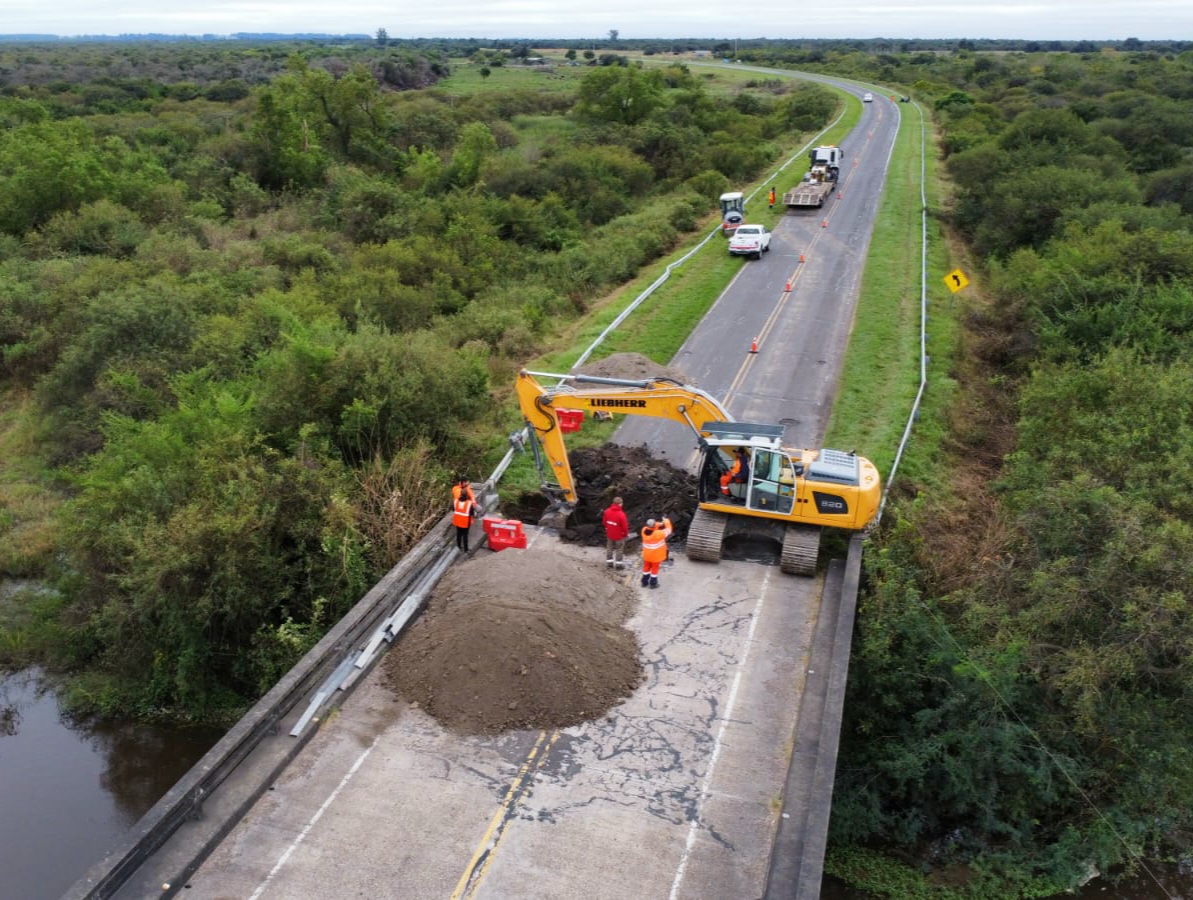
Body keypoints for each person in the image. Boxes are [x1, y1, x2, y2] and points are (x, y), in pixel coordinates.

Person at [640, 516, 672, 589]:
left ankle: (644, 582)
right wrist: (666, 521)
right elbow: (669, 530)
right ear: (654, 525)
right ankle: (653, 583)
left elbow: (653, 527)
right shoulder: (659, 534)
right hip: (655, 556)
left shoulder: (644, 530)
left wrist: (660, 524)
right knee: (654, 568)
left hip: (647, 555)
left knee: (646, 567)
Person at [602, 496, 629, 569]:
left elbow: (604, 522)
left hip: (610, 534)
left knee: (609, 548)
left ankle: (609, 563)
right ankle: (618, 565)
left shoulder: (607, 511)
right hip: (619, 536)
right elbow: (625, 527)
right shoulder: (621, 514)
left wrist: (607, 528)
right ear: (619, 504)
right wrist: (625, 535)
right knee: (619, 550)